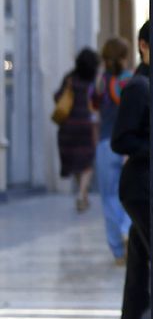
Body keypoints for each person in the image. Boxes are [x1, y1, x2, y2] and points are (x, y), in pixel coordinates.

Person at [112, 21, 153, 319]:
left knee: (141, 268)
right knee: (152, 265)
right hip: (139, 187)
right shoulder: (139, 87)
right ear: (143, 45)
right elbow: (120, 140)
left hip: (146, 186)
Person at [92, 39, 134, 260]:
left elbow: (93, 108)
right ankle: (127, 228)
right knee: (129, 193)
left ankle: (117, 250)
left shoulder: (99, 82)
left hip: (105, 144)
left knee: (108, 197)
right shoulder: (130, 80)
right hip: (127, 144)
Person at [55, 48, 101, 213]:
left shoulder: (69, 79)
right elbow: (96, 102)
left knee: (75, 162)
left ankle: (83, 194)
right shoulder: (91, 82)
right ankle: (82, 194)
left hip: (67, 128)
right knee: (87, 163)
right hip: (85, 127)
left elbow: (57, 97)